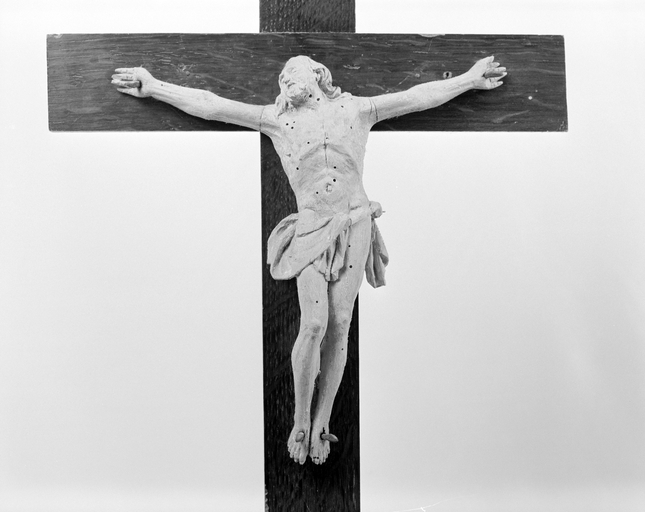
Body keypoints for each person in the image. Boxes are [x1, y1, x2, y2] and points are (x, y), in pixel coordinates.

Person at [111, 55, 506, 465]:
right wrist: (154, 87)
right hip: (312, 226)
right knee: (314, 323)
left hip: (354, 221)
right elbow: (212, 105)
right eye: (281, 77)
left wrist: (468, 79)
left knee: (340, 323)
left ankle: (322, 421)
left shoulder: (356, 109)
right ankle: (300, 417)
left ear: (318, 74)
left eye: (291, 72)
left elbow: (417, 97)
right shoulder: (277, 120)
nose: (283, 80)